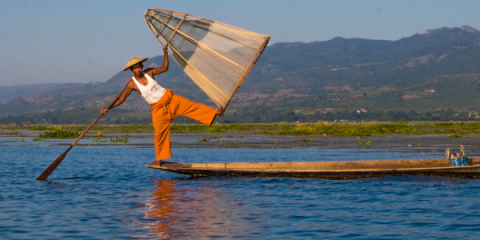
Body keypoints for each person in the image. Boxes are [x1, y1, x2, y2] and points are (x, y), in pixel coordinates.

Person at [101, 45, 224, 165]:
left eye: (139, 67)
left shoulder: (148, 73)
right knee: (159, 134)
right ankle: (160, 158)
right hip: (158, 109)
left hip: (170, 99)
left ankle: (216, 112)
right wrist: (108, 107)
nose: (137, 70)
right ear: (131, 70)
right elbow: (122, 98)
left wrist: (165, 53)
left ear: (142, 66)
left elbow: (164, 68)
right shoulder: (131, 84)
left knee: (191, 106)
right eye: (135, 68)